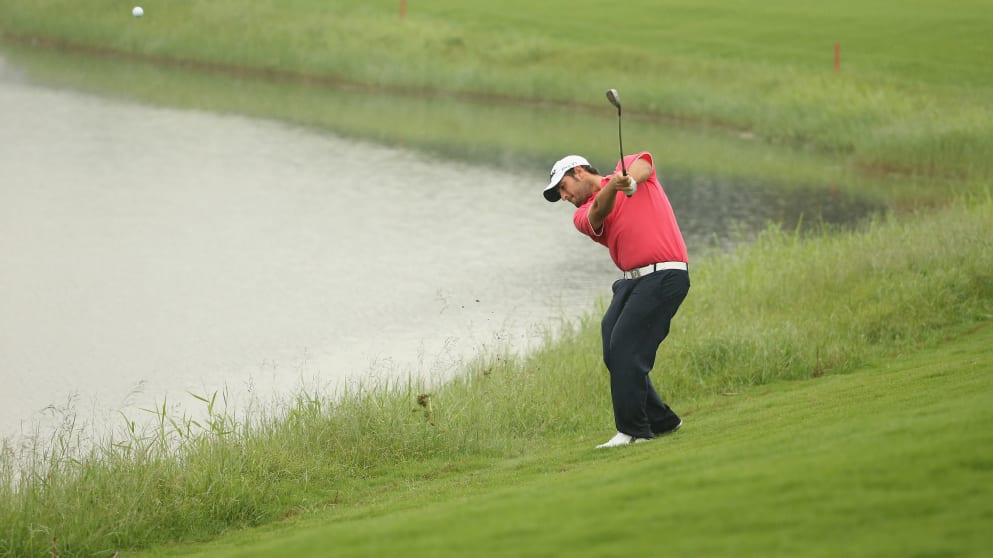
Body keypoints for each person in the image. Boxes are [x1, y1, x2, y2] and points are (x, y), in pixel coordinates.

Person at [542, 152, 690, 448]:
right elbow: (599, 208)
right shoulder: (582, 215)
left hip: (665, 275)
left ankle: (634, 430)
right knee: (614, 350)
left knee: (625, 348)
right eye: (558, 192)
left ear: (580, 172)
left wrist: (629, 180)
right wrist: (616, 187)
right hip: (631, 282)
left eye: (563, 186)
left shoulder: (626, 171)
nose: (563, 196)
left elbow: (645, 164)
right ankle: (663, 421)